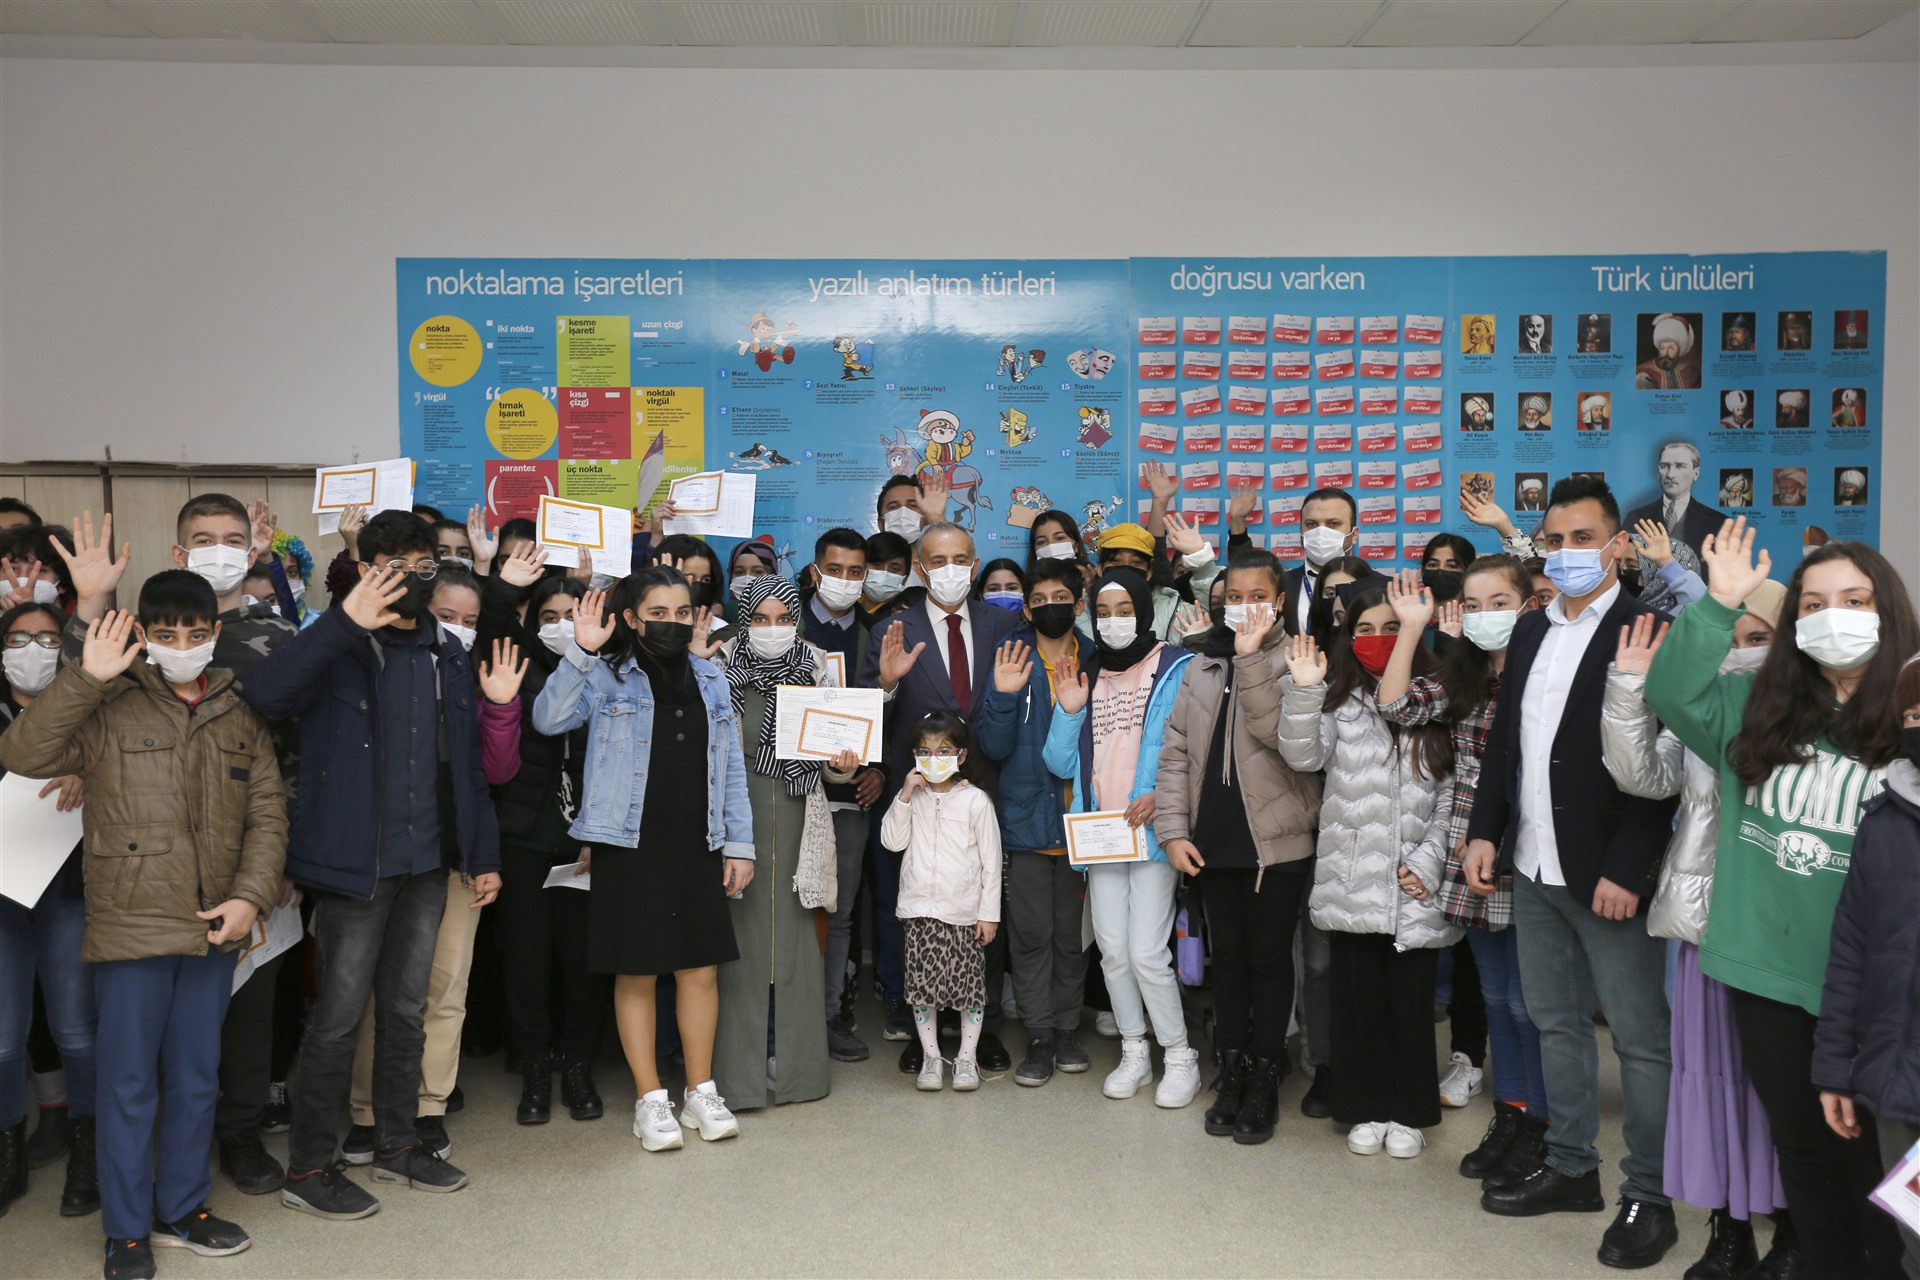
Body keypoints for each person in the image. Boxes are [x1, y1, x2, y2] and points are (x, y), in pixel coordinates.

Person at [1645, 522, 1916, 1276]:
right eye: (1814, 604)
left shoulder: (1911, 717)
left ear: (1888, 611)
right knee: (1803, 1152)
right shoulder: (1753, 705)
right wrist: (1719, 605)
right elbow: (1669, 690)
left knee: (1881, 1169)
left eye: (1855, 600)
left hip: (1879, 987)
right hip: (1767, 970)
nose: (1834, 617)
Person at [0, 576, 286, 1280]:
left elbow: (268, 814)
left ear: (214, 634)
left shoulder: (240, 711)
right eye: (166, 634)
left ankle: (181, 1209)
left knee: (195, 1077)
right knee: (128, 1085)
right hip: (131, 927)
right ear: (145, 637)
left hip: (213, 926)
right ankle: (126, 1230)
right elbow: (23, 754)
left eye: (196, 634)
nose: (183, 646)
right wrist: (84, 678)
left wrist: (250, 897)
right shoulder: (108, 702)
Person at [242, 511, 501, 1217]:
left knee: (406, 1011)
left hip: (427, 862)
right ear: (365, 568)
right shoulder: (336, 643)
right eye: (396, 567)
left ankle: (396, 1144)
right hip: (354, 866)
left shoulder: (446, 651)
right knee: (337, 1019)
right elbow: (266, 696)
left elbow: (467, 765)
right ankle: (308, 1168)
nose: (412, 580)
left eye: (424, 567)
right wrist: (342, 623)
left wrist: (481, 854)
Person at [1462, 475, 1681, 1266]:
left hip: (1609, 873)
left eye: (1583, 539)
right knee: (1554, 1022)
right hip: (1533, 863)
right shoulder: (1530, 629)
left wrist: (1631, 867)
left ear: (1618, 545)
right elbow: (1507, 745)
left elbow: (1665, 762)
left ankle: (1649, 1195)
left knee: (1640, 1042)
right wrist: (1485, 831)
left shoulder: (1650, 628)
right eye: (1554, 540)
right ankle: (1570, 1166)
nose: (1566, 553)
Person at [58, 503, 302, 1199]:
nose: (182, 644)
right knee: (133, 1072)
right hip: (136, 904)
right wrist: (90, 616)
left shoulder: (260, 663)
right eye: (203, 540)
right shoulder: (116, 682)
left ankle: (205, 1177)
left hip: (231, 893)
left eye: (233, 541)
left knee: (218, 1052)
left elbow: (277, 786)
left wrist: (262, 883)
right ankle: (129, 1215)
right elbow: (41, 738)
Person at [1602, 578, 1796, 1278]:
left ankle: (1796, 1229)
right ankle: (1729, 1228)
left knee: (1782, 1088)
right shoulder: (1702, 707)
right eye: (1730, 640)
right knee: (1711, 1083)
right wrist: (1629, 689)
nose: (1741, 654)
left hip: (1782, 933)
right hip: (1703, 922)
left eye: (1759, 639)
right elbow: (1643, 778)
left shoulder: (1814, 717)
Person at [532, 568, 752, 1153]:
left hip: (699, 841)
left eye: (682, 613)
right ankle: (650, 1098)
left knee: (700, 970)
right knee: (637, 970)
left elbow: (730, 767)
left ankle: (701, 1090)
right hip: (627, 842)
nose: (672, 623)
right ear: (631, 618)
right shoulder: (605, 674)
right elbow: (549, 719)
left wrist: (739, 843)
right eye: (658, 613)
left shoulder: (711, 677)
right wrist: (581, 652)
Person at [339, 572, 526, 1167]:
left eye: (471, 622)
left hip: (455, 855)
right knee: (380, 992)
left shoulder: (474, 674)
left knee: (446, 988)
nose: (458, 630)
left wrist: (501, 707)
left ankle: (428, 1106)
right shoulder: (382, 662)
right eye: (448, 616)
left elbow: (492, 776)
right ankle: (367, 1111)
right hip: (387, 856)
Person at [1378, 556, 1551, 1186]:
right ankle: (1511, 1113)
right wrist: (1412, 628)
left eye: (1499, 603)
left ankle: (1544, 1128)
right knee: (1498, 997)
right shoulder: (1464, 677)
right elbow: (1396, 704)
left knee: (1534, 1005)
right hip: (1471, 852)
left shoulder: (1548, 673)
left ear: (1530, 605)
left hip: (1529, 854)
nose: (1484, 616)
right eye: (1472, 606)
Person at [1274, 582, 1456, 1161]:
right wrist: (1305, 690)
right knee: (1359, 1002)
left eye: (1390, 627)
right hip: (1352, 878)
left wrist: (1428, 861)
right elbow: (1302, 756)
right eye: (1364, 629)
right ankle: (1366, 1107)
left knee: (1410, 1004)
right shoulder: (1338, 700)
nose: (1377, 639)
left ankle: (1409, 1112)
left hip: (1417, 880)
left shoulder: (1440, 698)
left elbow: (1455, 793)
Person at [1156, 548, 1323, 1144]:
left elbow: (1282, 739)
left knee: (1270, 960)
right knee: (1226, 959)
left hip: (1275, 842)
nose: (1244, 607)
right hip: (1212, 841)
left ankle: (1265, 1072)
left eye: (1258, 597)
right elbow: (1175, 754)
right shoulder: (1200, 667)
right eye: (1234, 597)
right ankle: (1231, 1068)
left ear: (1279, 601)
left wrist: (1251, 659)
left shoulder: (1299, 659)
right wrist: (1173, 832)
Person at [1042, 568, 1200, 1108]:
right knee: (1112, 952)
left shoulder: (1177, 666)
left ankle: (1178, 1055)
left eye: (1125, 611)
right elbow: (1058, 761)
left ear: (1145, 611)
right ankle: (1135, 1052)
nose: (1113, 622)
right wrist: (1068, 710)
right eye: (1103, 613)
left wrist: (1163, 794)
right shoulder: (1087, 673)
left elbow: (1194, 748)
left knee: (1147, 952)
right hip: (1102, 834)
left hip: (1153, 832)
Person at [868, 521, 1021, 1075]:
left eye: (961, 559)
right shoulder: (892, 629)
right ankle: (923, 1033)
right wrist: (886, 685)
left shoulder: (1005, 624)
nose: (950, 569)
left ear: (975, 564)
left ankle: (985, 1029)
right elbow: (867, 715)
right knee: (919, 914)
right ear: (919, 567)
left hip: (987, 786)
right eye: (938, 560)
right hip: (919, 792)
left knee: (984, 907)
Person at [475, 554, 609, 1126]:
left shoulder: (608, 670)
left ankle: (578, 1064)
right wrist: (502, 588)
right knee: (526, 963)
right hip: (525, 839)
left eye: (570, 614)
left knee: (582, 964)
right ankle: (533, 1064)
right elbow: (492, 627)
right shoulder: (516, 665)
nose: (560, 625)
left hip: (587, 844)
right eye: (548, 616)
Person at [712, 574, 841, 1109]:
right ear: (743, 621)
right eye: (761, 619)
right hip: (735, 819)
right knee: (736, 949)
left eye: (784, 618)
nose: (773, 628)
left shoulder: (818, 667)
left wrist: (841, 763)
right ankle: (734, 1078)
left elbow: (835, 758)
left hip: (798, 814)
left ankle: (797, 1073)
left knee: (797, 946)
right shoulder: (718, 667)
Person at [1815, 653, 1920, 1278]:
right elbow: (1850, 952)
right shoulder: (1882, 823)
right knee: (1915, 1244)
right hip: (1898, 1084)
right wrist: (1836, 1068)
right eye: (1914, 713)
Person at [978, 559, 1095, 1086]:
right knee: (1029, 937)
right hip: (1025, 822)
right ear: (1027, 609)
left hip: (1084, 824)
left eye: (1060, 598)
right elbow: (992, 746)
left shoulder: (1097, 657)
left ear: (1079, 603)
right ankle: (1040, 1035)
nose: (1050, 607)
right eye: (1039, 600)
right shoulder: (1011, 656)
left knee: (1072, 937)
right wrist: (1004, 696)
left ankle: (1067, 1028)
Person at [0, 601, 94, 1220]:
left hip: (68, 889)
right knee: (3, 1038)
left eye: (47, 638)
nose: (32, 649)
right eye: (18, 638)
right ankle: (7, 1152)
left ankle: (89, 1151)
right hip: (1, 896)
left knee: (77, 1029)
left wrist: (90, 770)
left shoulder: (89, 710)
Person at [797, 528, 887, 1064]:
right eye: (835, 570)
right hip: (788, 791)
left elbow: (895, 710)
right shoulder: (781, 624)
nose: (845, 581)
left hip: (851, 795)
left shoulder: (877, 635)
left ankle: (829, 1016)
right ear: (815, 572)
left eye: (856, 572)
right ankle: (785, 1017)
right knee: (790, 909)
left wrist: (881, 768)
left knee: (841, 910)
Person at [880, 712, 1003, 1092]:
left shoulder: (976, 802)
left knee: (969, 991)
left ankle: (966, 1058)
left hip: (963, 914)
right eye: (924, 751)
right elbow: (891, 842)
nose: (933, 759)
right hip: (919, 912)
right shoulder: (911, 799)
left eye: (943, 751)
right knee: (922, 991)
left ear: (961, 756)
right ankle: (932, 1058)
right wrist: (904, 795)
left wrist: (989, 914)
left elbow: (992, 862)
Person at [1625, 442, 1726, 570]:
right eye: (1664, 466)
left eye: (1680, 466)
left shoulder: (1717, 522)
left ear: (1696, 473)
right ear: (1658, 472)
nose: (1670, 474)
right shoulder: (1635, 518)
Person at [1289, 489, 1360, 636]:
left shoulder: (1381, 587)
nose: (1320, 533)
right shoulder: (1280, 584)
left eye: (1333, 523)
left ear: (1354, 535)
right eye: (1311, 524)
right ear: (1301, 532)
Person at [1636, 313, 1700, 390]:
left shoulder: (1690, 371)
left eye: (1671, 348)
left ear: (1679, 351)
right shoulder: (1643, 374)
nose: (1665, 353)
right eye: (1662, 348)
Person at [1420, 535, 1476, 607]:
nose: (1440, 571)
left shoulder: (1479, 613)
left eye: (1451, 566)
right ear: (1423, 572)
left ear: (1468, 574)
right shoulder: (1412, 613)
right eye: (1433, 565)